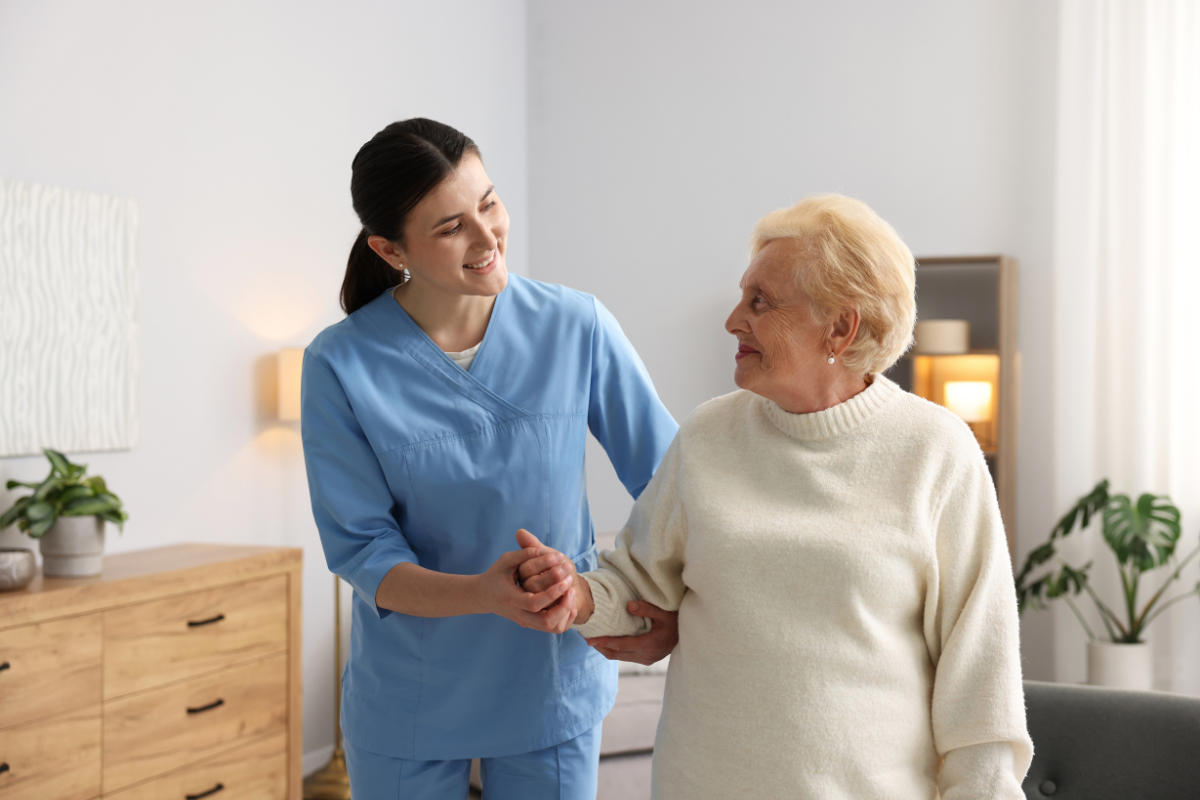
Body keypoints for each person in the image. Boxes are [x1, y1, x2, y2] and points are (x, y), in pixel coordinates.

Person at [520, 194, 1033, 799]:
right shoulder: (710, 435)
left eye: (760, 302)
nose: (734, 319)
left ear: (841, 326)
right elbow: (635, 584)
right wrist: (572, 592)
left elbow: (981, 683)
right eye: (743, 296)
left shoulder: (935, 451)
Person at [301, 118, 679, 799]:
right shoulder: (340, 363)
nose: (488, 238)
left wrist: (635, 603)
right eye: (451, 228)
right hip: (411, 699)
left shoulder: (577, 325)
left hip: (551, 682)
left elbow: (672, 484)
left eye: (489, 203)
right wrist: (484, 594)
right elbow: (363, 552)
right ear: (390, 249)